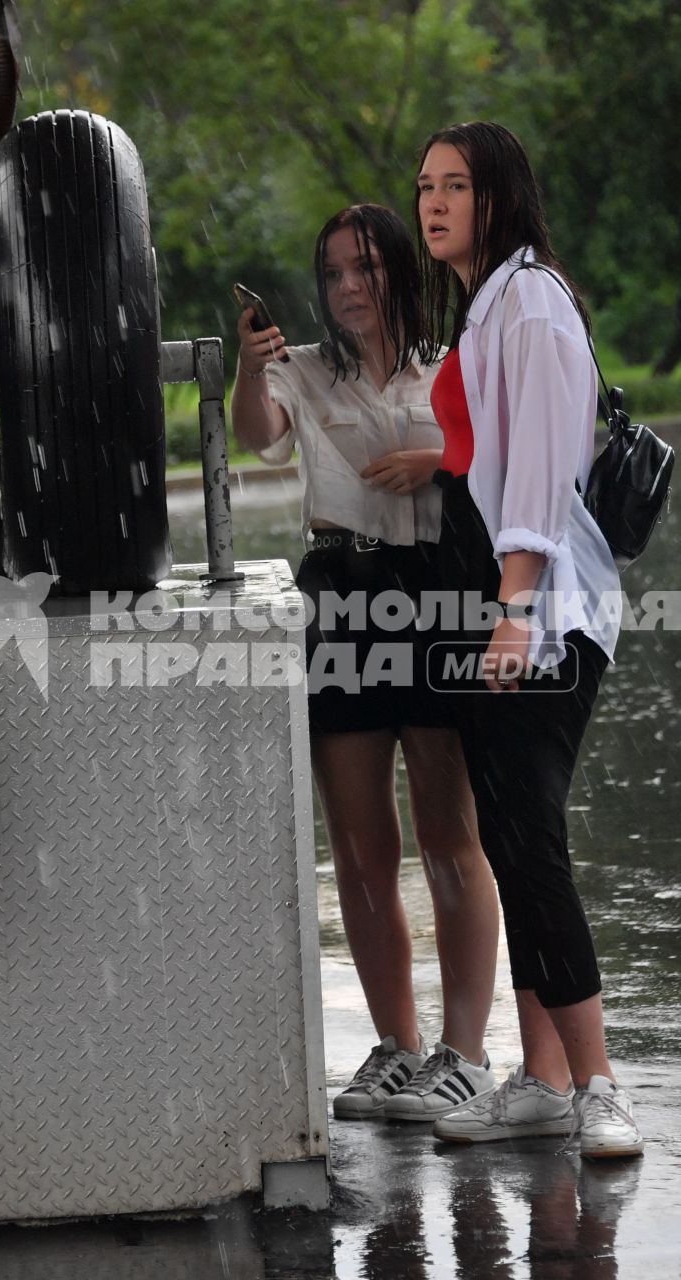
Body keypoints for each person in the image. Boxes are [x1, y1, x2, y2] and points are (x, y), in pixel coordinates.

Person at [230, 205, 502, 1122]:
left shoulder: (451, 364)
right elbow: (256, 432)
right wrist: (246, 362)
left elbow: (500, 457)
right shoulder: (300, 369)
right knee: (359, 844)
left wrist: (439, 461)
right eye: (335, 272)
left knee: (449, 833)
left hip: (434, 588)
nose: (349, 287)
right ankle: (398, 1043)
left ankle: (465, 1049)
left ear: (400, 274)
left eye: (366, 269)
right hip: (340, 592)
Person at [410, 122, 643, 1157]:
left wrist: (514, 608)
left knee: (532, 842)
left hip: (537, 613)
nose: (434, 202)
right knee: (510, 837)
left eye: (456, 184)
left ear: (500, 196)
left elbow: (545, 470)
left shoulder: (533, 302)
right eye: (424, 187)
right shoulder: (485, 305)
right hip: (490, 606)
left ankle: (598, 1082)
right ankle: (544, 1078)